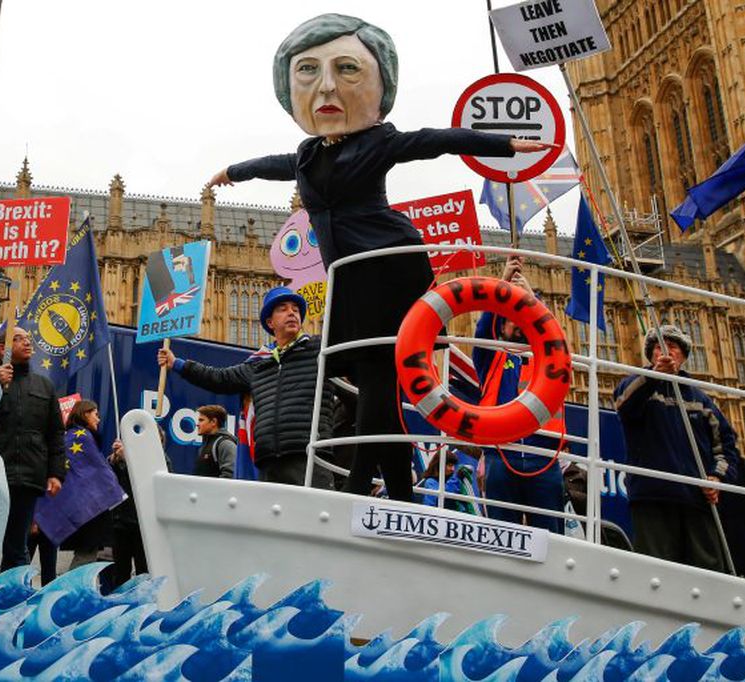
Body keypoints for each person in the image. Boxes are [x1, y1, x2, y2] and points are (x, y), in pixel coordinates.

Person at [205, 14, 555, 502]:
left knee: (374, 376)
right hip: (349, 275)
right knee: (376, 379)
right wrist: (231, 172)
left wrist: (504, 144)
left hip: (388, 261)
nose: (327, 88)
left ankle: (354, 485)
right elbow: (273, 165)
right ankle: (398, 493)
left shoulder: (379, 141)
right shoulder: (307, 155)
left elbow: (439, 140)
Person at [158, 287, 333, 488]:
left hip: (308, 454)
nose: (292, 312)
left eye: (295, 309)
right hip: (269, 459)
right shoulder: (259, 363)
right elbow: (219, 378)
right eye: (283, 309)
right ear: (270, 322)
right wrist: (177, 364)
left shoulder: (319, 350)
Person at [613, 325, 739, 572]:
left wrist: (717, 477)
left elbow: (726, 446)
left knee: (706, 572)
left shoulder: (701, 400)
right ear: (651, 355)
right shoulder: (638, 386)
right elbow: (622, 404)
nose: (666, 351)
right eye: (659, 346)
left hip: (696, 499)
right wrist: (653, 376)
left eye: (672, 346)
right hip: (652, 494)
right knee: (654, 572)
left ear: (683, 355)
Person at [473, 256, 564, 532]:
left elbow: (553, 334)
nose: (516, 323)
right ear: (501, 329)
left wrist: (532, 300)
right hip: (501, 454)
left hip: (544, 458)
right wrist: (503, 285)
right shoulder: (492, 358)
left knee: (551, 537)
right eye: (509, 319)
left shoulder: (549, 361)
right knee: (501, 535)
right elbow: (483, 329)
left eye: (521, 316)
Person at [0, 327, 65, 571]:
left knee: (17, 545)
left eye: (29, 339)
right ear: (3, 348)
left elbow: (55, 433)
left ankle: (13, 598)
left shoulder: (44, 386)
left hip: (28, 477)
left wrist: (55, 473)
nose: (28, 344)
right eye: (20, 339)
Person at [42, 399, 123, 572]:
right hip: (90, 511)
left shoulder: (70, 437)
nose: (99, 419)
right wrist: (113, 488)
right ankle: (72, 591)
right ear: (85, 414)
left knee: (86, 557)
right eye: (96, 414)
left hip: (79, 509)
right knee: (86, 558)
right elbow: (99, 472)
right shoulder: (83, 437)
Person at [107, 438, 147, 587]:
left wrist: (129, 461)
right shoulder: (122, 460)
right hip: (120, 522)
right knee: (120, 572)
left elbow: (142, 480)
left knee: (144, 571)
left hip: (142, 525)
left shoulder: (157, 459)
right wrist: (114, 459)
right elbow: (108, 480)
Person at [195, 404, 237, 478]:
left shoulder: (225, 444)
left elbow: (230, 475)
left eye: (201, 420)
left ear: (214, 422)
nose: (197, 424)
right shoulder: (205, 446)